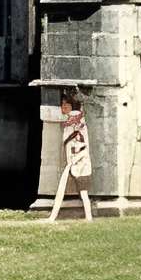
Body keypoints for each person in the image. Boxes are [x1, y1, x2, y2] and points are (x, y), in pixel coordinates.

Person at [46, 92, 94, 225]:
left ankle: (88, 218)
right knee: (66, 191)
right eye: (62, 104)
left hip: (80, 165)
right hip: (73, 164)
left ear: (72, 106)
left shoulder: (78, 123)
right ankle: (53, 217)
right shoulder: (70, 123)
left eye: (66, 104)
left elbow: (83, 146)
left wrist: (75, 160)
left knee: (83, 193)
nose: (63, 107)